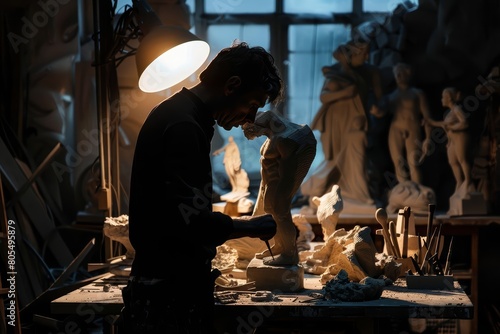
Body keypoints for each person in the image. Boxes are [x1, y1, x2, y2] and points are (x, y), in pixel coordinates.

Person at [118, 42, 283, 334]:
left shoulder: (180, 113)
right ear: (232, 86)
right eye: (253, 105)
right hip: (167, 292)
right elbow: (189, 222)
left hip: (163, 282)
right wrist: (250, 226)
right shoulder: (184, 125)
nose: (250, 118)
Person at [242, 110, 316, 265]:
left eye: (251, 130)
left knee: (280, 212)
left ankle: (289, 254)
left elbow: (289, 174)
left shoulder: (286, 140)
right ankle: (280, 245)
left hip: (280, 181)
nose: (253, 135)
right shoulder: (273, 135)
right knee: (269, 210)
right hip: (269, 181)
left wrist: (282, 197)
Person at [373, 62, 432, 184]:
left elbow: (427, 117)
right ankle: (405, 191)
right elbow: (382, 111)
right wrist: (376, 111)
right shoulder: (390, 96)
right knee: (398, 163)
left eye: (401, 72)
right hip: (396, 129)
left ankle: (417, 192)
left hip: (413, 128)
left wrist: (428, 138)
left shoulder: (417, 93)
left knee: (413, 162)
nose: (399, 76)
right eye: (396, 74)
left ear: (408, 74)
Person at [425, 87, 472, 196]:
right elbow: (443, 124)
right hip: (452, 141)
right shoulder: (449, 113)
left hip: (460, 137)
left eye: (443, 97)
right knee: (453, 161)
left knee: (462, 159)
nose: (441, 99)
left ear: (449, 98)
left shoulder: (456, 109)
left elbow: (464, 123)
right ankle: (459, 181)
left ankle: (468, 181)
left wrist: (452, 128)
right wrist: (431, 122)